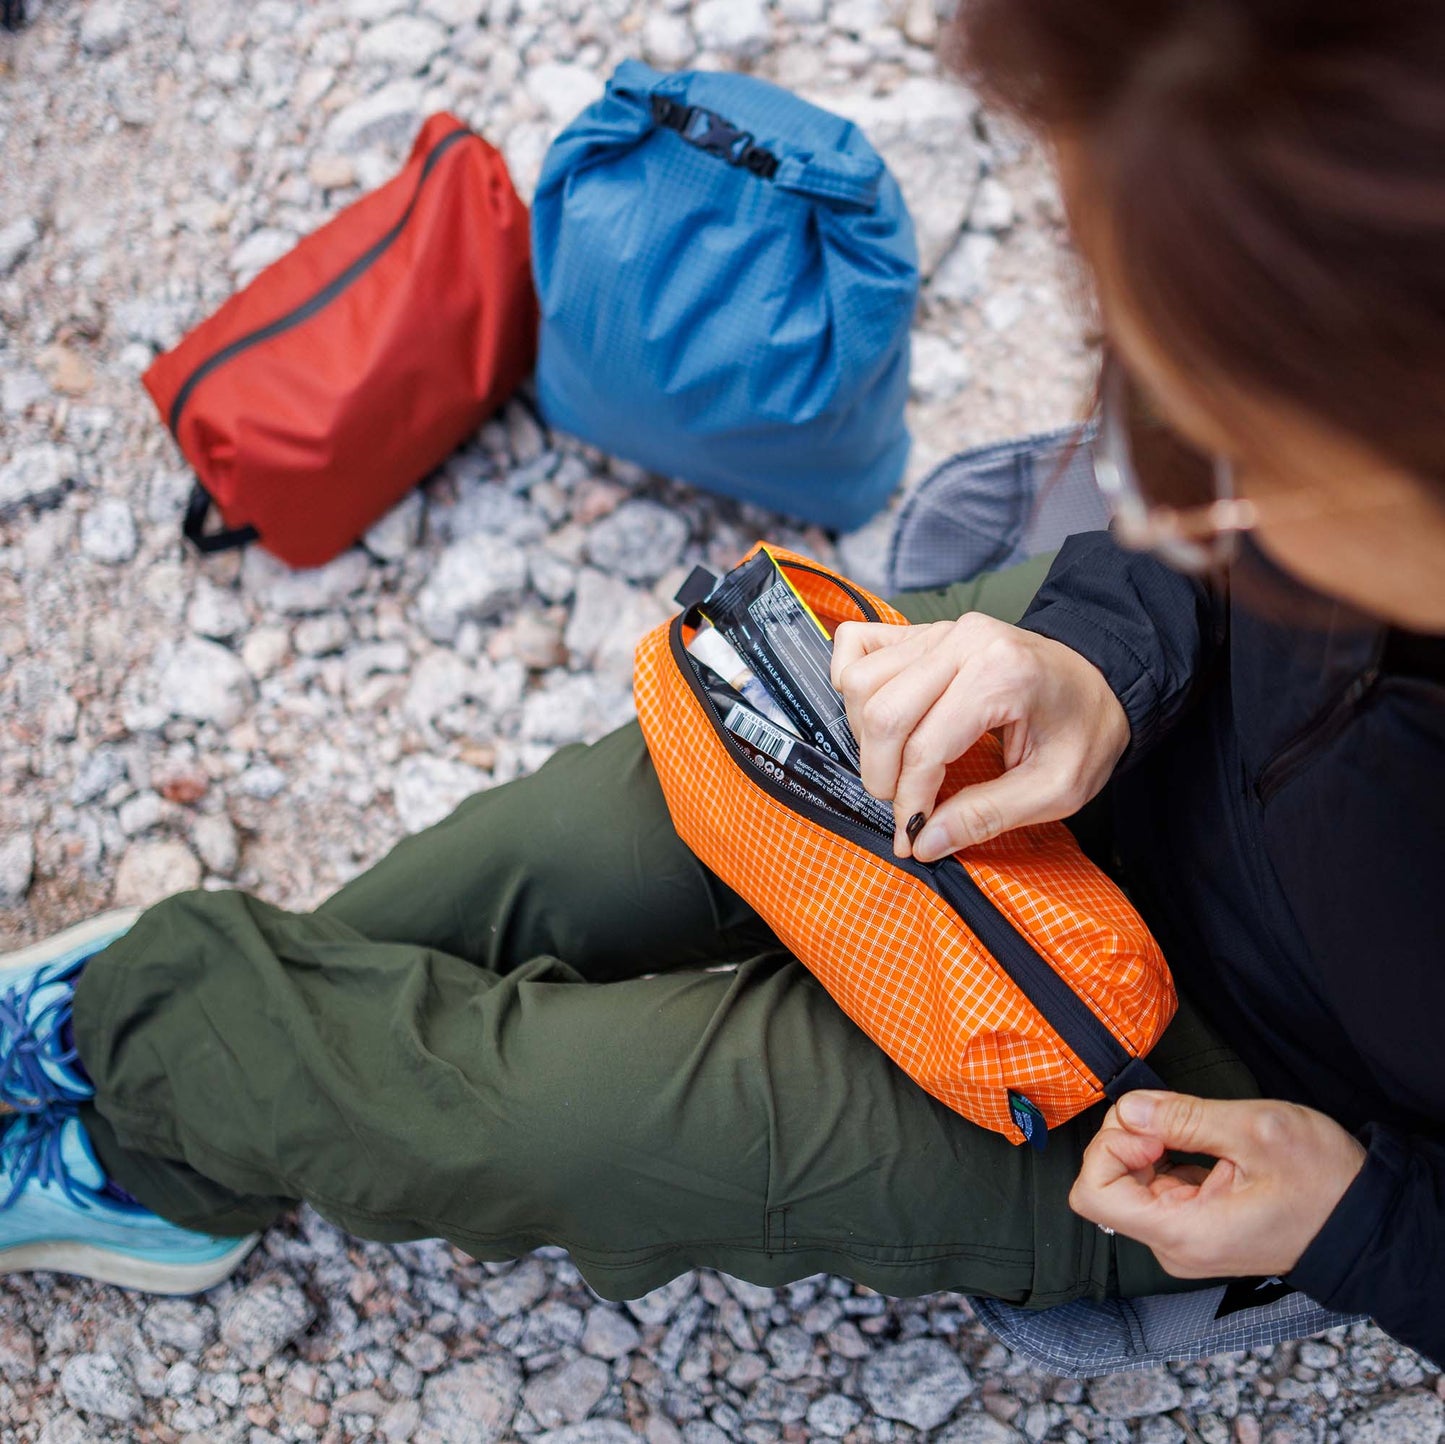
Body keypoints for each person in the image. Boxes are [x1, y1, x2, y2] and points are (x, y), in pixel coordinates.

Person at [1, 0, 1441, 1367]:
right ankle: (151, 1091)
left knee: (551, 1127)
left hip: (1212, 1076)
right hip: (1096, 712)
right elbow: (1194, 550)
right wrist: (1096, 654)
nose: (1170, 469)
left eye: (1222, 440)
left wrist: (1359, 1229)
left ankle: (136, 1078)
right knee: (553, 855)